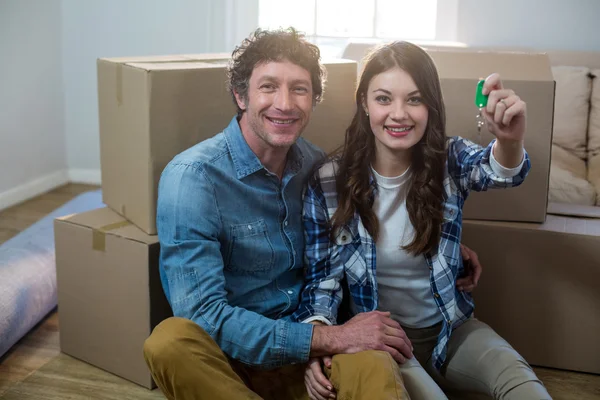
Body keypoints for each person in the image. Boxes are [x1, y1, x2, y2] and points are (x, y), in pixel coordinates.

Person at [143, 28, 482, 400]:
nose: (285, 104)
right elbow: (203, 316)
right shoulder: (193, 177)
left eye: (300, 89)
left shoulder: (319, 169)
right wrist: (323, 339)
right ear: (241, 95)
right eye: (268, 87)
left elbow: (355, 241)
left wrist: (442, 245)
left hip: (316, 352)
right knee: (169, 341)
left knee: (373, 355)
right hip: (231, 363)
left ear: (314, 99)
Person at [294, 41, 552, 400]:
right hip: (385, 342)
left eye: (414, 99)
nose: (399, 114)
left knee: (525, 387)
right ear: (364, 103)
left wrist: (510, 140)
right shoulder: (328, 180)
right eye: (384, 98)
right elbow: (322, 283)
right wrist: (316, 344)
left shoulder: (449, 159)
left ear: (430, 106)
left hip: (453, 329)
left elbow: (500, 172)